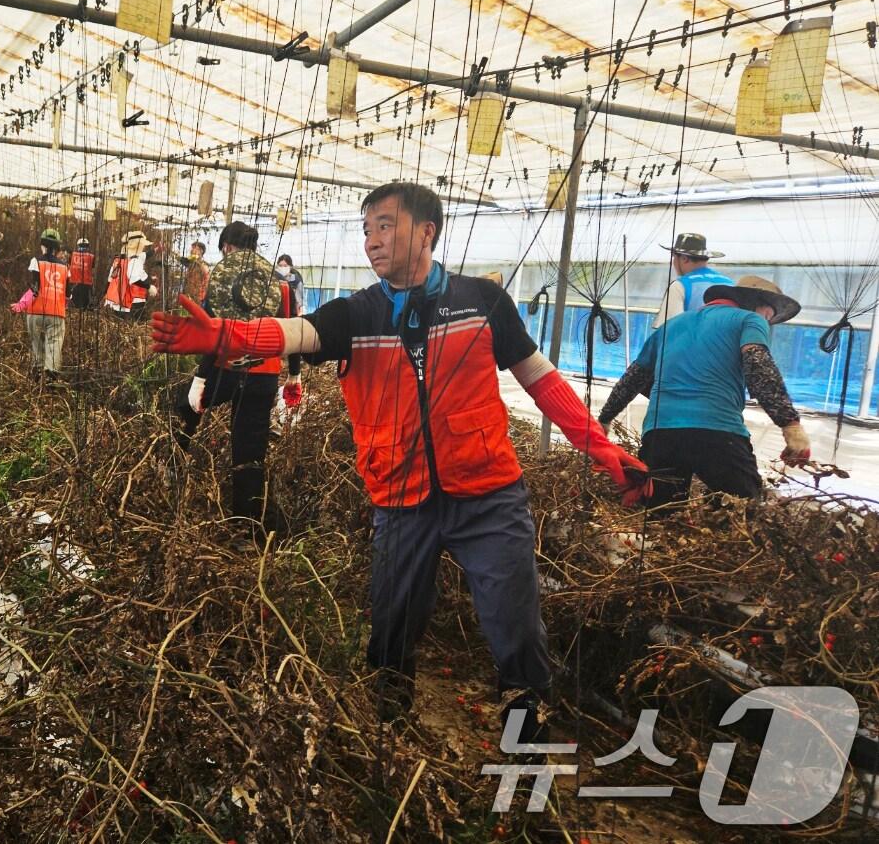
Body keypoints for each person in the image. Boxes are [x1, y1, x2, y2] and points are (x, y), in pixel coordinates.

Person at [152, 182, 649, 732]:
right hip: (400, 496)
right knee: (392, 624)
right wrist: (223, 335)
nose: (372, 241)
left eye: (385, 225)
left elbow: (540, 380)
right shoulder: (357, 314)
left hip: (488, 492)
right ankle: (388, 729)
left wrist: (602, 449)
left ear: (427, 231)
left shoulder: (483, 302)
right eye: (367, 230)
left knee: (515, 620)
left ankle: (524, 734)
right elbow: (294, 331)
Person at [599, 275, 810, 509]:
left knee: (659, 516)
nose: (767, 325)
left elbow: (633, 378)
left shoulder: (671, 326)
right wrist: (790, 425)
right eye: (768, 317)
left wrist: (605, 419)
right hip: (718, 433)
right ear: (754, 303)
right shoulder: (750, 320)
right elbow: (758, 368)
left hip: (660, 435)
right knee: (741, 514)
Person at [175, 222, 301, 537]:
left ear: (228, 246)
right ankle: (245, 528)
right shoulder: (279, 281)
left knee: (184, 406)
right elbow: (294, 330)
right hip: (265, 374)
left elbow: (209, 331)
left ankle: (175, 468)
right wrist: (295, 374)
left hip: (225, 369)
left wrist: (200, 379)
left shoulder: (222, 275)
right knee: (250, 451)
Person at [652, 233, 733, 329]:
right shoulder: (730, 284)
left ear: (684, 258)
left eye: (674, 257)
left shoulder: (680, 286)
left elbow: (669, 329)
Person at [21, 228, 68, 378]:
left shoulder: (36, 261)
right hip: (56, 313)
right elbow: (69, 293)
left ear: (42, 245)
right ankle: (51, 376)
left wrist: (22, 303)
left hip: (35, 311)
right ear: (58, 248)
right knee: (54, 342)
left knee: (36, 342)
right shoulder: (64, 267)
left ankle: (37, 372)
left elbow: (34, 287)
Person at [104, 230, 154, 320]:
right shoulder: (135, 260)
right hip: (129, 302)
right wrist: (149, 287)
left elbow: (110, 280)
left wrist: (105, 294)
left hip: (114, 301)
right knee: (134, 324)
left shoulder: (118, 260)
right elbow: (134, 279)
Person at [68, 238, 95, 309]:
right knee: (84, 303)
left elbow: (69, 265)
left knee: (75, 302)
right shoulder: (91, 257)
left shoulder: (72, 255)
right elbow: (92, 269)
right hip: (85, 282)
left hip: (74, 282)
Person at [181, 241, 210, 305]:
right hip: (189, 297)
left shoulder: (203, 265)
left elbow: (204, 272)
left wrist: (195, 262)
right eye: (192, 248)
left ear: (201, 251)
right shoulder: (192, 264)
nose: (191, 250)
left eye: (194, 248)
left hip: (198, 299)